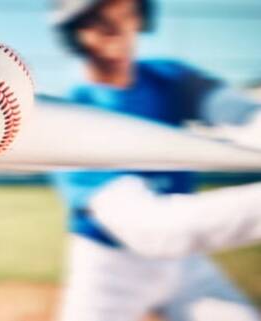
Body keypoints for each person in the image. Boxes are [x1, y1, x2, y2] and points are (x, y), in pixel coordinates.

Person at [49, 0, 261, 320]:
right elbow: (152, 228)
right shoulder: (71, 117)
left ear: (142, 16)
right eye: (97, 19)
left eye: (126, 12)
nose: (116, 29)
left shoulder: (170, 77)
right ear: (74, 33)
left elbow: (245, 116)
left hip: (185, 263)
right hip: (109, 267)